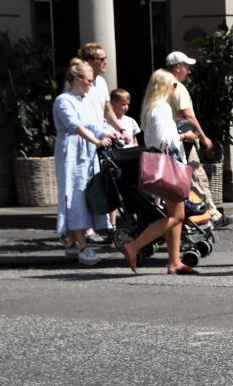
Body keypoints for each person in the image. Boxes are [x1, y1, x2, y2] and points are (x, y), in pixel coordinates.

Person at [120, 69, 198, 275]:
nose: (175, 89)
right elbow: (165, 140)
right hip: (169, 166)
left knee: (175, 214)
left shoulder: (152, 109)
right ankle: (134, 247)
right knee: (177, 215)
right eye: (174, 86)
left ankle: (174, 261)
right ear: (166, 86)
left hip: (161, 165)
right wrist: (182, 137)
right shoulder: (161, 109)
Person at [53, 59, 117, 265]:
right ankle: (82, 246)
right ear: (77, 79)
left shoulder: (85, 100)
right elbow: (76, 126)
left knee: (86, 195)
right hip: (71, 153)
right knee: (74, 196)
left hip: (87, 153)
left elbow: (92, 123)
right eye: (89, 81)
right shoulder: (63, 101)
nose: (91, 84)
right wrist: (97, 140)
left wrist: (110, 133)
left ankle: (72, 243)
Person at [163, 51, 233, 229]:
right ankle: (212, 216)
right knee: (196, 177)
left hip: (174, 140)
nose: (189, 71)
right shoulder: (176, 86)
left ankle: (207, 215)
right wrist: (203, 136)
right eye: (186, 66)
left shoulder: (163, 86)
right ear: (177, 67)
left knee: (193, 179)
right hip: (183, 140)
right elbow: (187, 115)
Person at [77, 42, 131, 143]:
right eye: (101, 59)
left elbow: (107, 110)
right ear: (89, 61)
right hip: (83, 139)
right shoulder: (77, 83)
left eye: (105, 58)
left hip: (100, 138)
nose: (105, 62)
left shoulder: (101, 82)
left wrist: (121, 130)